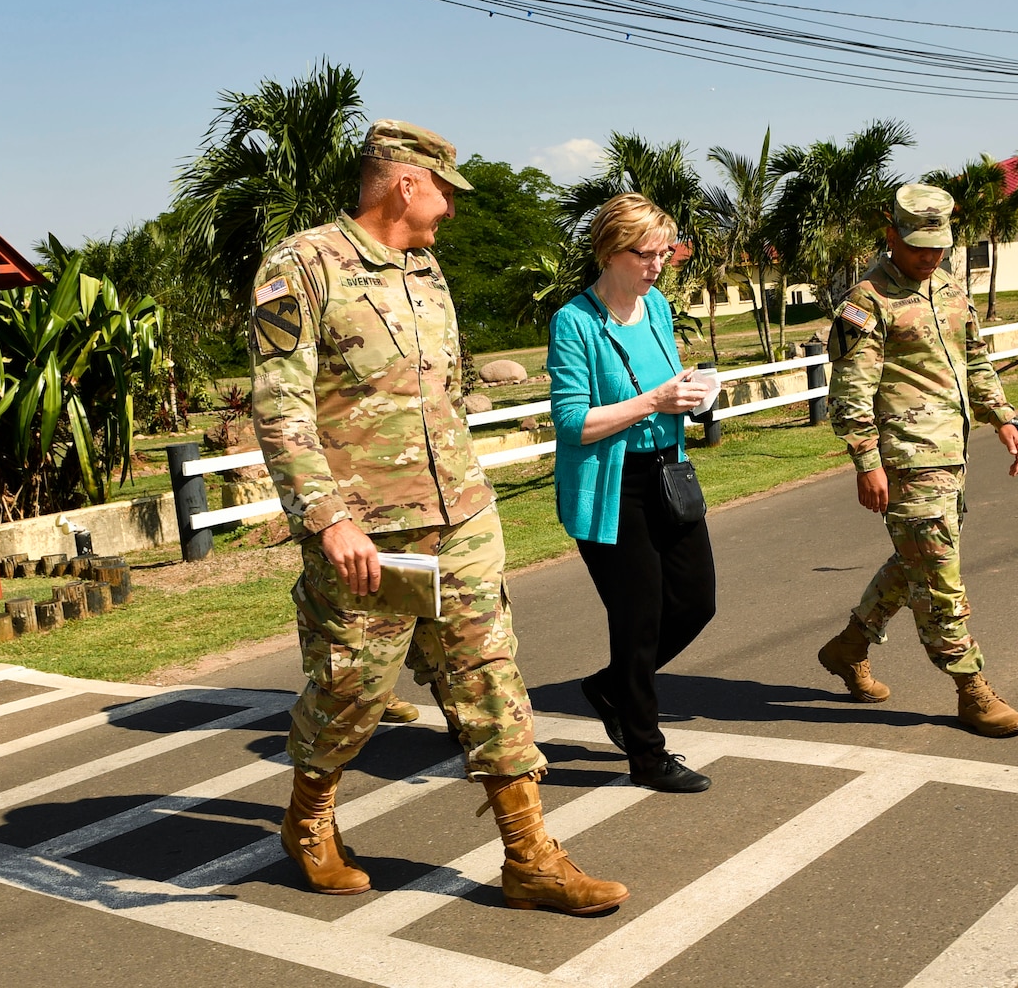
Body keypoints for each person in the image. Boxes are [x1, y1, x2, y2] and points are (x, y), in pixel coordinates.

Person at [249, 119, 627, 914]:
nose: (450, 211)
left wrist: (470, 491)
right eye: (445, 194)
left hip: (457, 517)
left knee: (490, 677)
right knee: (351, 688)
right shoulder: (301, 265)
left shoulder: (425, 269)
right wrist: (328, 522)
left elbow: (443, 394)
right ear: (406, 184)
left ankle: (530, 858)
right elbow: (280, 409)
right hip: (365, 534)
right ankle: (308, 819)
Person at [818, 183, 1018, 737]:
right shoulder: (866, 303)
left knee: (916, 559)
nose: (929, 257)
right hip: (907, 459)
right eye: (918, 247)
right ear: (891, 235)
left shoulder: (952, 290)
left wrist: (1002, 418)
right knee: (939, 574)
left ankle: (849, 646)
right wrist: (867, 461)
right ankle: (971, 688)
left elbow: (976, 360)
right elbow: (850, 392)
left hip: (952, 454)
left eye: (938, 246)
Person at [547, 193, 717, 794]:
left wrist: (691, 392)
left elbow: (664, 379)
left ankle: (612, 686)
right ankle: (647, 752)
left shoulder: (658, 306)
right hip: (612, 486)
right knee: (638, 621)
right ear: (611, 253)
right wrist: (653, 402)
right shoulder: (575, 322)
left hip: (669, 474)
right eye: (646, 254)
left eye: (664, 253)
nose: (658, 265)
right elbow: (572, 423)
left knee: (696, 603)